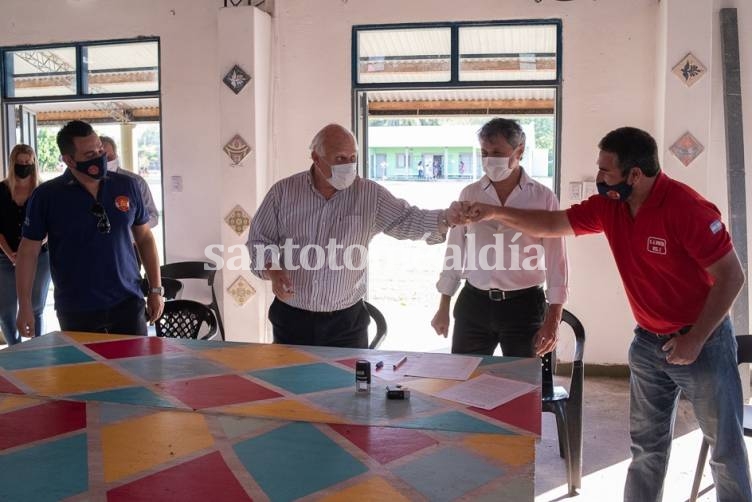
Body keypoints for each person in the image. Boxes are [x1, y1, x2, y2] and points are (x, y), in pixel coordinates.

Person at [464, 126, 751, 502]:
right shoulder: (611, 205)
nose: (598, 178)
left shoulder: (687, 209)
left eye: (606, 171)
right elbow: (553, 225)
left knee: (724, 449)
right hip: (649, 345)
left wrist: (695, 339)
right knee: (646, 448)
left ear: (636, 174)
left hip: (703, 344)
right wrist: (493, 212)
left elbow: (732, 276)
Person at [247, 123, 463, 348]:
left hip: (346, 323)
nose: (348, 166)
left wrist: (447, 218)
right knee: (289, 381)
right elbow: (260, 240)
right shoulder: (283, 192)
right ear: (316, 157)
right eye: (340, 158)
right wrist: (274, 271)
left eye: (352, 158)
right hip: (292, 319)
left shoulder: (369, 194)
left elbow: (407, 220)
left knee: (349, 383)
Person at [431, 118, 567, 358]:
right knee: (464, 381)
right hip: (474, 303)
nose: (489, 159)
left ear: (520, 151)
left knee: (523, 384)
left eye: (497, 153)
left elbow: (557, 261)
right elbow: (454, 252)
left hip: (524, 306)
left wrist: (554, 318)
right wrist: (444, 305)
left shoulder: (542, 198)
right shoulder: (470, 194)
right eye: (484, 152)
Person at [15, 120, 164, 337]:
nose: (98, 157)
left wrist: (155, 289)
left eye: (100, 150)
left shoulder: (126, 185)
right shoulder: (47, 196)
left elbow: (144, 238)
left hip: (128, 303)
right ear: (68, 160)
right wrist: (25, 306)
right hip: (77, 309)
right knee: (85, 371)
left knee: (134, 368)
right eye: (88, 155)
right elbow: (28, 252)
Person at [0, 145, 51, 345]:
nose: (23, 167)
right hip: (5, 256)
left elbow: (50, 225)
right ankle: (15, 350)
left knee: (35, 306)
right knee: (6, 308)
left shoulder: (43, 191)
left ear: (34, 164)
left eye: (27, 163)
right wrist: (12, 254)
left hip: (39, 255)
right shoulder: (1, 190)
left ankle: (36, 349)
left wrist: (30, 251)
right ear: (12, 164)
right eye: (20, 163)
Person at [100, 135, 159, 228]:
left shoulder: (137, 182)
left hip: (130, 241)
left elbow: (153, 216)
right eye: (102, 157)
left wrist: (132, 229)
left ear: (116, 156)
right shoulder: (85, 185)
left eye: (109, 158)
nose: (106, 161)